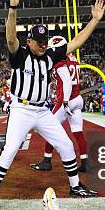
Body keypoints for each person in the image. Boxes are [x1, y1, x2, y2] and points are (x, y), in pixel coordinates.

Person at [0, 0, 105, 210]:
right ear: (28, 41)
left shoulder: (49, 54)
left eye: (44, 40)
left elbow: (76, 42)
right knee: (9, 151)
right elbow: (10, 38)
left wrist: (94, 20)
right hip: (21, 108)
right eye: (38, 41)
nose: (43, 44)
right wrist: (12, 8)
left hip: (42, 110)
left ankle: (75, 186)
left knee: (67, 145)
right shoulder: (20, 54)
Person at [31, 36, 90, 173]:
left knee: (49, 128)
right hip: (77, 98)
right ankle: (85, 162)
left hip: (67, 100)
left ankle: (47, 161)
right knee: (78, 133)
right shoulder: (74, 59)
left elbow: (67, 81)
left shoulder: (60, 61)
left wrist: (64, 101)